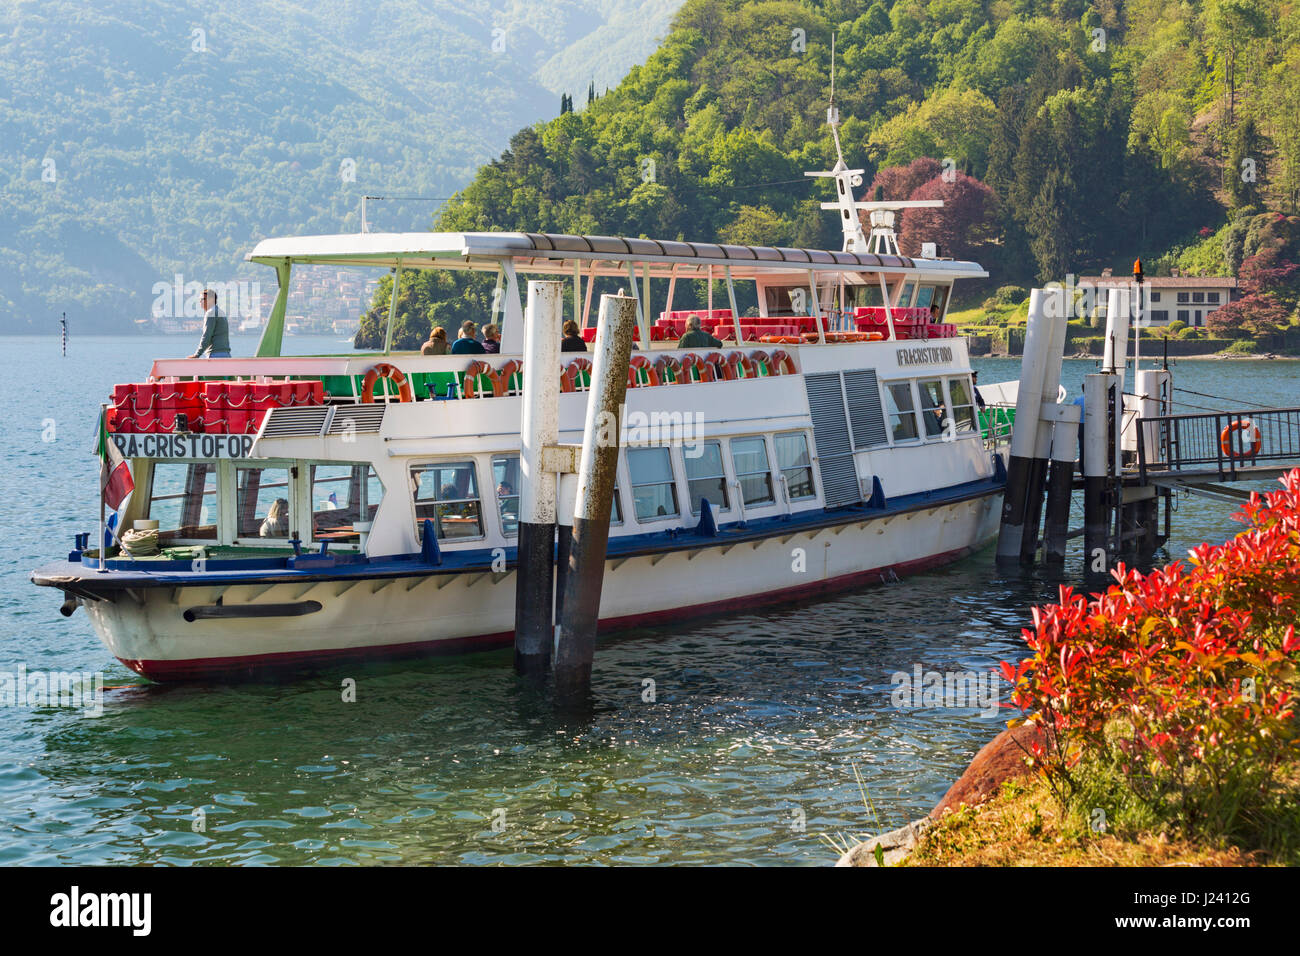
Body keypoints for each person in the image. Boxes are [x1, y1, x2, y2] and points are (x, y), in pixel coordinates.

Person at [189, 289, 230, 358]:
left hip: (215, 354)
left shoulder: (211, 313)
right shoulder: (220, 312)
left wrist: (197, 354)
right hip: (225, 354)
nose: (200, 302)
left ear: (211, 299)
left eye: (202, 299)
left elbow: (207, 335)